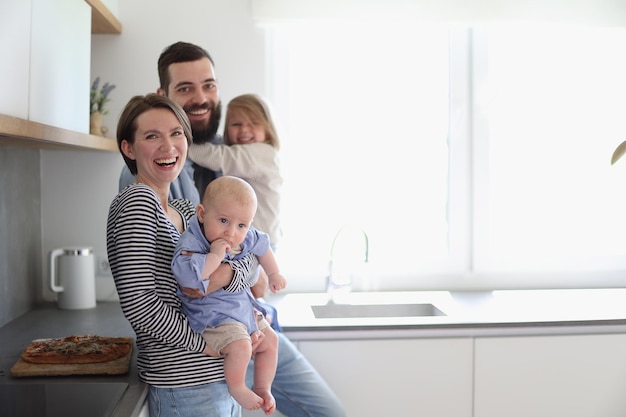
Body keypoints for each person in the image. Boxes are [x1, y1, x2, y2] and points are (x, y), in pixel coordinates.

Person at [119, 41, 346, 417]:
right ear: (165, 96)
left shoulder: (233, 153)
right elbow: (178, 284)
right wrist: (230, 279)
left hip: (244, 317)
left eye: (209, 85)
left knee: (327, 411)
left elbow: (242, 248)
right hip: (208, 336)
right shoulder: (149, 185)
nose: (201, 98)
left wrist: (244, 272)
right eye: (186, 89)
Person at [108, 93, 261, 417]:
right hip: (185, 383)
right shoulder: (138, 201)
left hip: (216, 377)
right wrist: (203, 345)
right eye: (152, 136)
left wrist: (226, 275)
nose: (169, 147)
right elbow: (140, 304)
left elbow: (249, 255)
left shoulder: (185, 211)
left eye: (176, 133)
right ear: (129, 149)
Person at [172, 176, 287, 414]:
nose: (231, 232)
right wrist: (214, 256)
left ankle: (264, 387)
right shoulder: (192, 242)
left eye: (241, 225)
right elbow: (190, 282)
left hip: (242, 310)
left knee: (271, 341)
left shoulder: (244, 234)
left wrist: (274, 272)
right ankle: (237, 386)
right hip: (213, 317)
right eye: (223, 220)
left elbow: (262, 246)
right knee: (242, 346)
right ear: (202, 214)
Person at [188, 94, 282, 246]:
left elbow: (219, 157)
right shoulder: (242, 153)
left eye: (253, 123)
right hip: (245, 238)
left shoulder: (264, 153)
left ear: (268, 128)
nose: (244, 130)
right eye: (236, 124)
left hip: (261, 242)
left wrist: (181, 145)